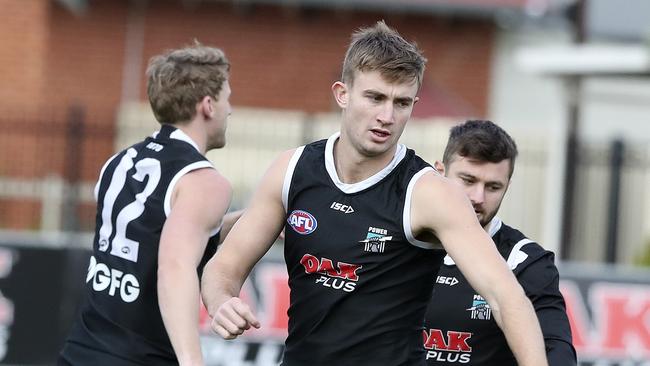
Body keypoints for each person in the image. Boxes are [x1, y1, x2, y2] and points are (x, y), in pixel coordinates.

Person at [201, 21, 548, 366]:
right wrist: (222, 303)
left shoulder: (428, 193)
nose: (387, 116)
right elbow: (224, 267)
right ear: (343, 93)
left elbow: (507, 298)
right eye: (375, 97)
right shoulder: (291, 170)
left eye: (402, 103)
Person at [59, 43, 239, 366]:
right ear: (208, 106)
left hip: (80, 352)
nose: (231, 110)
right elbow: (174, 265)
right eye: (228, 98)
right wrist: (191, 361)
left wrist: (253, 221)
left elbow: (162, 232)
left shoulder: (119, 161)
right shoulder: (205, 181)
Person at [423, 120, 576, 365]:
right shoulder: (402, 242)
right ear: (440, 172)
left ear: (507, 187)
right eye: (468, 180)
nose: (478, 197)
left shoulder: (525, 261)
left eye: (493, 187)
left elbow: (555, 347)